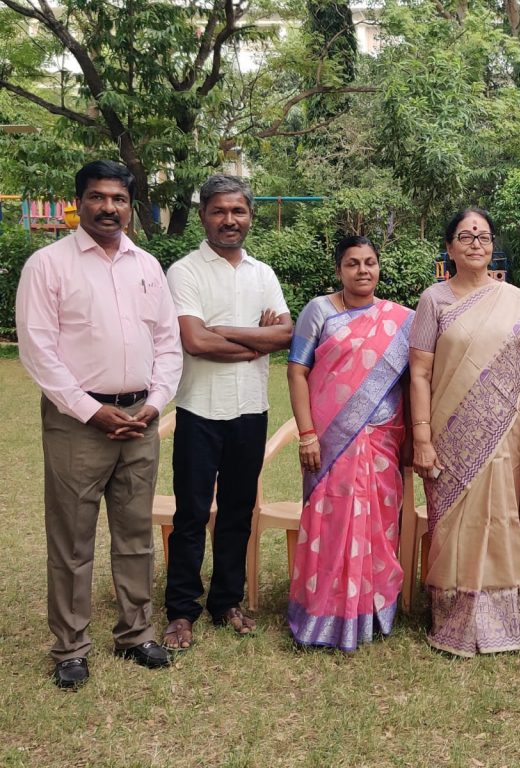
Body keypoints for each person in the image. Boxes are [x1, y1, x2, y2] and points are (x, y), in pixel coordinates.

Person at [16, 160, 182, 688]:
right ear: (78, 202)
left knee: (135, 534)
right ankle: (70, 647)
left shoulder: (147, 266)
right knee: (72, 539)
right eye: (97, 197)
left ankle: (136, 633)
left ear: (130, 206)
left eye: (119, 199)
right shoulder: (48, 265)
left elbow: (167, 343)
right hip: (77, 423)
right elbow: (38, 350)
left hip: (140, 419)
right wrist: (91, 410)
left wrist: (155, 402)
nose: (108, 208)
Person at [162, 174, 293, 650]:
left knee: (238, 511)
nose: (229, 219)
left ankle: (226, 602)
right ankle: (181, 610)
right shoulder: (185, 272)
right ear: (203, 215)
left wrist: (224, 331)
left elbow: (286, 334)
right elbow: (195, 341)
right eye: (219, 210)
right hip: (199, 410)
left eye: (238, 210)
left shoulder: (263, 274)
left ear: (250, 216)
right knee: (191, 513)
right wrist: (256, 342)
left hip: (250, 410)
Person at [408, 208, 520, 657]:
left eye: (483, 236)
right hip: (447, 434)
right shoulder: (433, 300)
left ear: (492, 244)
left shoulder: (516, 299)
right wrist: (422, 438)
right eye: (465, 236)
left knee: (501, 516)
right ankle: (452, 614)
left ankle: (503, 618)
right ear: (449, 247)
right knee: (453, 522)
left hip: (506, 431)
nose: (476, 243)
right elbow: (419, 373)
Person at [285, 236, 414, 651]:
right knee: (332, 523)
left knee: (379, 523)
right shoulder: (319, 311)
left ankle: (374, 611)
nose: (363, 270)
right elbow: (296, 372)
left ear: (379, 267)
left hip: (382, 439)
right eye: (353, 263)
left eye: (370, 262)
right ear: (339, 270)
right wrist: (307, 434)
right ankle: (324, 613)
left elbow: (414, 381)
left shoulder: (400, 320)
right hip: (330, 442)